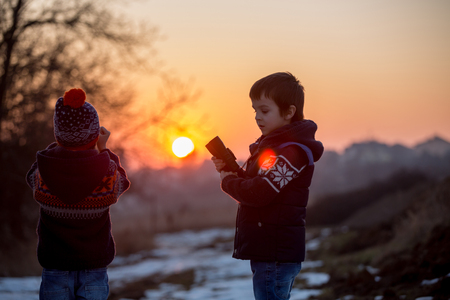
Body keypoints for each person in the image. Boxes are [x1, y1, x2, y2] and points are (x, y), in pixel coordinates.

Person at [211, 72, 324, 300]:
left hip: (275, 253)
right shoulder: (274, 148)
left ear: (289, 112)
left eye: (264, 110)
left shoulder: (293, 153)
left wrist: (228, 181)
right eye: (255, 110)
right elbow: (259, 186)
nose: (257, 117)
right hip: (268, 251)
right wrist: (231, 171)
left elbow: (260, 193)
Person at [26, 88, 130, 300]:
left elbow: (31, 176)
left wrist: (59, 147)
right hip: (94, 269)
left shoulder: (43, 174)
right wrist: (103, 150)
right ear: (93, 136)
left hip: (55, 268)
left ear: (58, 133)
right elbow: (122, 182)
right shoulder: (105, 174)